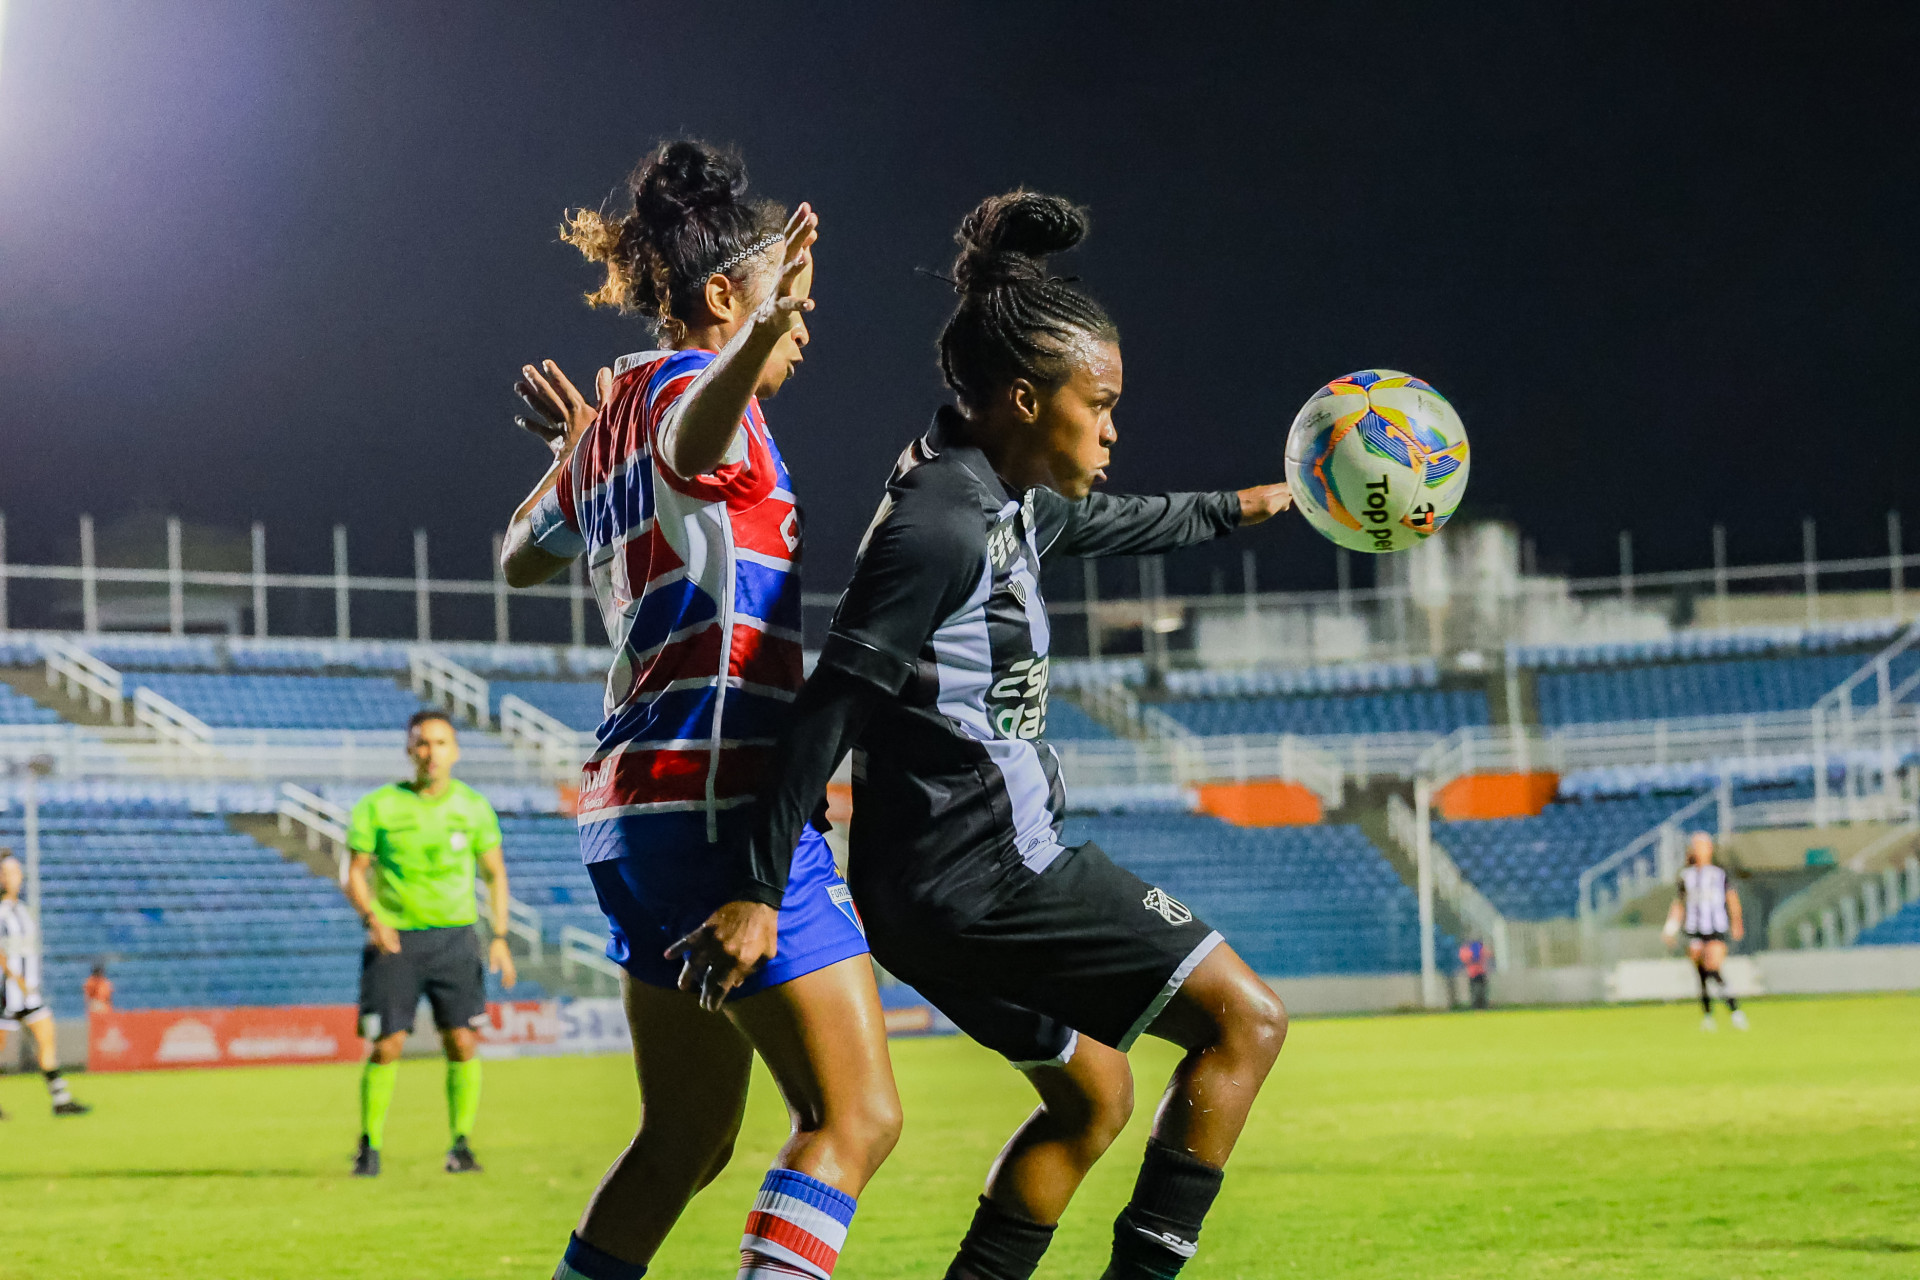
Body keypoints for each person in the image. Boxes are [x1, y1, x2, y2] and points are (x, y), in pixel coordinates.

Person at [675, 191, 1294, 1280]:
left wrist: (1254, 501)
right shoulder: (940, 523)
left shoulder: (1000, 488)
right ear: (1022, 397)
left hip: (934, 895)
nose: (1112, 427)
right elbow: (831, 703)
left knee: (1095, 1095)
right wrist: (759, 888)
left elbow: (1119, 519)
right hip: (991, 874)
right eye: (1097, 403)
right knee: (1247, 1019)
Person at [501, 139, 898, 1280]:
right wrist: (758, 338)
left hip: (626, 814)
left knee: (685, 1137)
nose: (806, 330)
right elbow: (695, 440)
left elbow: (522, 554)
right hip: (719, 799)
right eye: (794, 306)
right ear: (726, 295)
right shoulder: (681, 396)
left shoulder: (615, 407)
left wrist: (572, 457)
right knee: (854, 1117)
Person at [344, 709, 518, 1176]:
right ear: (409, 750)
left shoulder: (474, 807)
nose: (431, 752)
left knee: (462, 1041)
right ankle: (370, 1144)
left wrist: (499, 936)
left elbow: (495, 874)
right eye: (422, 743)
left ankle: (460, 1146)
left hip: (455, 940)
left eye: (440, 743)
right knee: (387, 1044)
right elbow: (354, 874)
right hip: (395, 941)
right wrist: (371, 918)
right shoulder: (378, 806)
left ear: (455, 751)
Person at [0, 852, 90, 1116]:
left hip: (29, 994)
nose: (18, 876)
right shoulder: (2, 913)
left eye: (17, 871)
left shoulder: (23, 911)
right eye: (11, 872)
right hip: (7, 993)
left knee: (47, 1037)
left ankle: (61, 1100)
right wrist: (16, 978)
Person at [1663, 830, 1747, 1031]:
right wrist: (1670, 928)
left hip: (1716, 928)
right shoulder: (1686, 876)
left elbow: (1732, 899)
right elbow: (1679, 904)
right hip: (1694, 930)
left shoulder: (1720, 874)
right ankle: (1708, 1016)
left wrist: (1737, 922)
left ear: (1709, 849)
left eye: (1702, 846)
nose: (1699, 850)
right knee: (1700, 972)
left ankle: (1735, 1010)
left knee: (1712, 967)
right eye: (1696, 846)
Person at [1458, 939, 1491, 1009]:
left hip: (1473, 973)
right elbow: (1488, 955)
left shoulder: (1466, 950)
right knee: (1481, 990)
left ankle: (1477, 1006)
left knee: (1475, 991)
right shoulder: (1480, 948)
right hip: (1480, 973)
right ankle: (1482, 1006)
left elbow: (1463, 958)